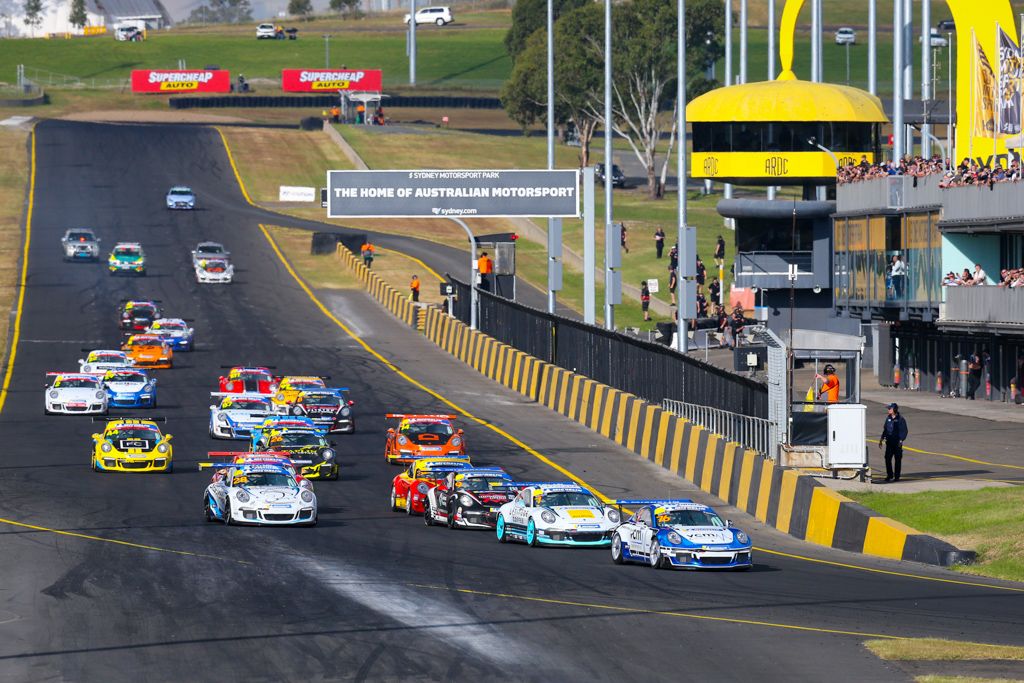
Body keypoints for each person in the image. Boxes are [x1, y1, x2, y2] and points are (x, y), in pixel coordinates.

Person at [878, 402, 909, 482]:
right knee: (887, 459)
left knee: (897, 460)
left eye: (890, 409)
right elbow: (885, 429)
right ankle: (890, 475)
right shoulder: (888, 418)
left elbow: (904, 431)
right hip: (889, 443)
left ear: (894, 409)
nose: (888, 410)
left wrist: (901, 440)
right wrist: (881, 439)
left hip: (897, 443)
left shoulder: (901, 419)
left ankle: (897, 476)